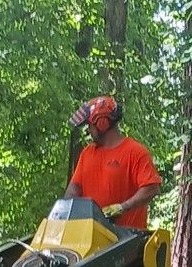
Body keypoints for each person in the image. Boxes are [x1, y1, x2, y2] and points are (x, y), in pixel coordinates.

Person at [65, 96, 162, 230]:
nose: (88, 130)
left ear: (102, 123)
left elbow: (152, 188)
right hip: (91, 235)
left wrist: (122, 207)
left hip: (127, 239)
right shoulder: (87, 153)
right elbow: (73, 189)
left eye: (90, 125)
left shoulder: (135, 152)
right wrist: (66, 211)